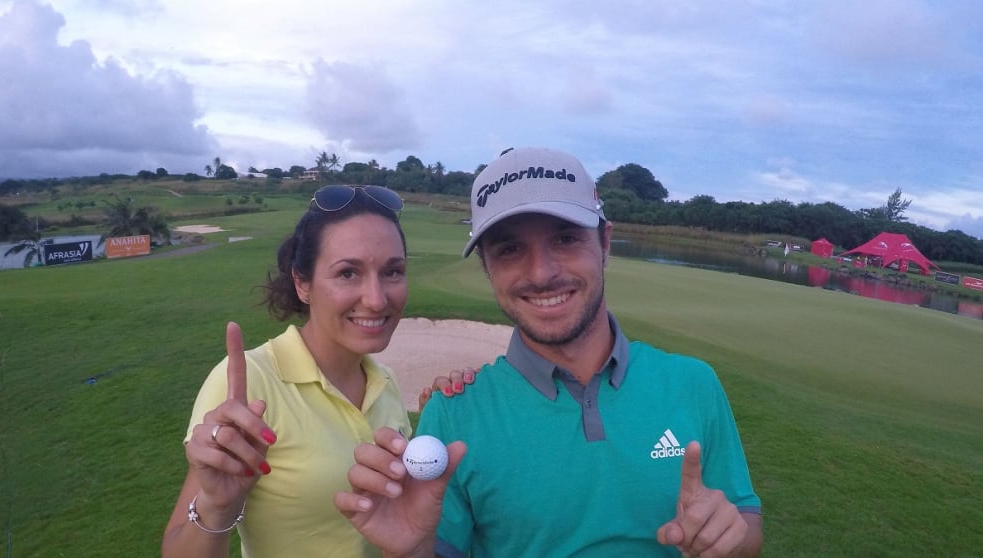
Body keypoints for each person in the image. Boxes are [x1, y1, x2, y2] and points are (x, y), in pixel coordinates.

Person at [334, 147, 763, 557]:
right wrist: (407, 551)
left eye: (564, 238)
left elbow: (746, 524)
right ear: (487, 267)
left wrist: (732, 540)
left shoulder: (693, 383)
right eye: (510, 249)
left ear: (605, 243)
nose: (541, 273)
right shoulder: (452, 415)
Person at [161, 185, 473, 558]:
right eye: (347, 273)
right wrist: (216, 505)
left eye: (393, 271)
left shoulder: (385, 382)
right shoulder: (253, 383)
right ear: (302, 284)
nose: (376, 299)